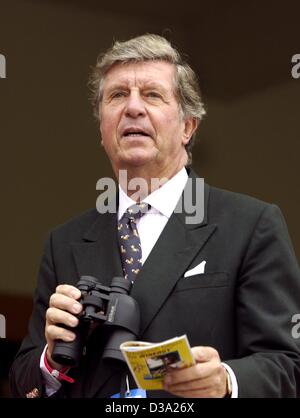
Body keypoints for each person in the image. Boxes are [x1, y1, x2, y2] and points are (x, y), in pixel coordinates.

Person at [10, 34, 300, 398]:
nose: (133, 108)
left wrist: (226, 380)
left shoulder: (251, 224)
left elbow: (289, 365)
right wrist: (51, 361)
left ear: (188, 127)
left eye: (152, 94)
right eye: (117, 96)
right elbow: (23, 377)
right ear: (102, 129)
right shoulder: (63, 242)